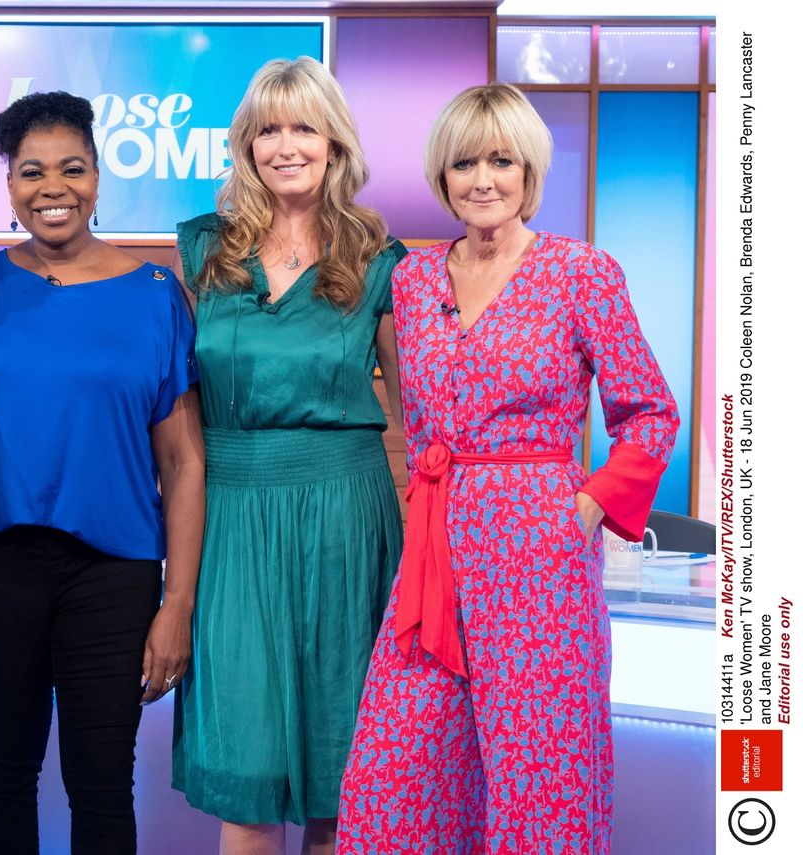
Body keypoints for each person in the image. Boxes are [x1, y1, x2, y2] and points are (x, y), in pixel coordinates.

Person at [337, 83, 680, 853]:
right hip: (435, 547)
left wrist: (584, 508)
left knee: (541, 772)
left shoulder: (581, 273)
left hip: (540, 557)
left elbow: (650, 411)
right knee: (401, 767)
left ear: (529, 170)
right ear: (442, 176)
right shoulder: (413, 281)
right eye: (465, 162)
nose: (483, 179)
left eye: (501, 160)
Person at [0, 90, 205, 855]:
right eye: (32, 172)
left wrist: (177, 603)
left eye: (71, 168)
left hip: (113, 574)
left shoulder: (156, 296)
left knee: (100, 782)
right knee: (2, 771)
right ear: (9, 186)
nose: (51, 187)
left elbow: (184, 460)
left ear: (99, 176)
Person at [171, 57, 406, 855]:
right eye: (268, 129)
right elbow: (181, 412)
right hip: (233, 515)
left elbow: (411, 421)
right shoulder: (201, 250)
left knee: (342, 779)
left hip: (347, 518)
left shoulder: (379, 259)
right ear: (245, 145)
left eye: (303, 126)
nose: (286, 145)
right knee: (249, 770)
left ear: (335, 141)